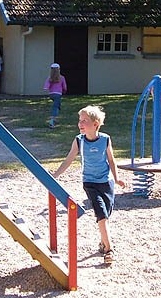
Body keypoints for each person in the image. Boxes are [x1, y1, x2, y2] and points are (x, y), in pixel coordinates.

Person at [53, 105, 126, 265]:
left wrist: (117, 178)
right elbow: (68, 159)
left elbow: (111, 161)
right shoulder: (79, 141)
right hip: (90, 183)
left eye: (84, 121)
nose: (80, 124)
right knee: (101, 213)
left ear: (96, 124)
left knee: (106, 213)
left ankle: (102, 242)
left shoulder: (105, 139)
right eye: (80, 120)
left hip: (106, 183)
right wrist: (55, 175)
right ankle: (109, 249)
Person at [43, 63, 67, 128]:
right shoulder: (61, 78)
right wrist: (64, 90)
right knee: (55, 107)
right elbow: (64, 87)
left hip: (51, 94)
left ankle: (55, 118)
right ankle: (52, 121)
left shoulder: (49, 78)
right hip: (58, 94)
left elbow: (46, 86)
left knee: (57, 104)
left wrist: (47, 89)